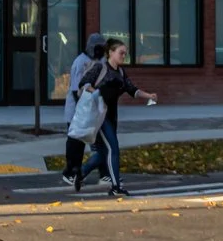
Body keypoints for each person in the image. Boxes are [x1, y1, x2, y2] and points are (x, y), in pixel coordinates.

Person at [72, 39, 154, 198]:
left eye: (125, 53)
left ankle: (80, 173)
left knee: (103, 153)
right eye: (121, 52)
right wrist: (95, 92)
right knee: (113, 149)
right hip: (99, 116)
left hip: (111, 116)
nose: (124, 55)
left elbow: (132, 89)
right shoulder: (100, 67)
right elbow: (84, 83)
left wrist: (148, 95)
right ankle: (116, 186)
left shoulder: (121, 72)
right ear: (110, 52)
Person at [62, 33, 108, 179]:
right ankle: (70, 172)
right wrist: (83, 111)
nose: (101, 52)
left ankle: (104, 173)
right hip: (77, 110)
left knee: (99, 143)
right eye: (99, 48)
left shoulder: (100, 62)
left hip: (93, 110)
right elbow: (77, 90)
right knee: (76, 144)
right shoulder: (80, 62)